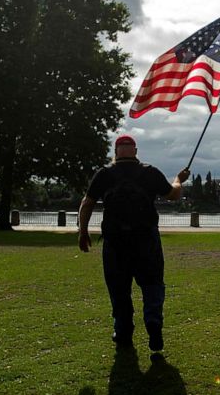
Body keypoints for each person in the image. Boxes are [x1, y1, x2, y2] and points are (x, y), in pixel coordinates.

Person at [78, 134, 190, 353]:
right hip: (146, 240)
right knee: (152, 284)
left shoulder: (104, 174)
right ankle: (153, 321)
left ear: (116, 151)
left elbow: (87, 203)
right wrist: (178, 179)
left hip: (115, 242)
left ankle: (123, 330)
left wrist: (82, 231)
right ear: (135, 151)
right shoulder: (150, 173)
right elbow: (174, 195)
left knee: (118, 288)